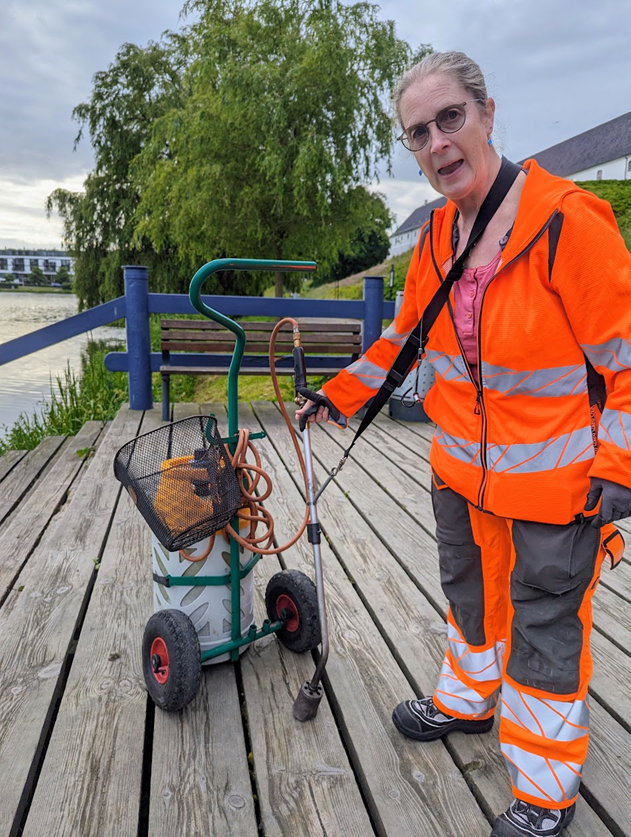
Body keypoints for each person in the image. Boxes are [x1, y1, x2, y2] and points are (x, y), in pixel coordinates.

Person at [296, 51, 631, 837]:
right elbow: (404, 338)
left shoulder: (565, 223)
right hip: (460, 473)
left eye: (449, 118)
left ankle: (545, 786)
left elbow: (626, 362)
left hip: (559, 487)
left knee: (545, 631)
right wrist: (338, 393)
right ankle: (467, 699)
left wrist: (618, 467)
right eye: (418, 132)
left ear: (486, 113)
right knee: (470, 599)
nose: (437, 142)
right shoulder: (439, 234)